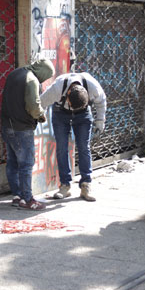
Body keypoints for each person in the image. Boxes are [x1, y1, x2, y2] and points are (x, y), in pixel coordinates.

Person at [40, 72, 107, 202]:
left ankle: (86, 184)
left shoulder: (92, 86)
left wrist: (100, 121)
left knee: (83, 147)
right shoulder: (57, 88)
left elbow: (101, 101)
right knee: (62, 148)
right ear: (68, 96)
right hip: (61, 113)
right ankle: (65, 186)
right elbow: (42, 103)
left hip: (83, 114)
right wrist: (39, 117)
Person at [1, 59, 55, 210]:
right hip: (22, 128)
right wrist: (41, 115)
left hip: (7, 125)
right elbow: (33, 106)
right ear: (44, 72)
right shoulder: (32, 80)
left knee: (12, 162)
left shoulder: (14, 73)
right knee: (26, 164)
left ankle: (17, 196)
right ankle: (28, 199)